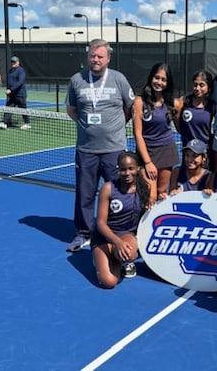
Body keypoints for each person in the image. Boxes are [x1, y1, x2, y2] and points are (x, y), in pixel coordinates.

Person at [65, 39, 135, 253]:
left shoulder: (118, 79)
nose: (95, 60)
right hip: (86, 150)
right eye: (92, 56)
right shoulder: (77, 80)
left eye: (100, 56)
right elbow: (72, 110)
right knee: (84, 194)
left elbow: (131, 108)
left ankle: (119, 230)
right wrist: (88, 128)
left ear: (108, 58)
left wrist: (114, 127)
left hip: (114, 150)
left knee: (118, 193)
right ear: (88, 57)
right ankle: (83, 232)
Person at [91, 152, 155, 288]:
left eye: (131, 168)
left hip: (127, 235)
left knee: (129, 253)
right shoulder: (108, 188)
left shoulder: (144, 188)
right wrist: (117, 242)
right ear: (118, 169)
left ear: (138, 169)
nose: (127, 173)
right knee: (109, 282)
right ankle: (104, 255)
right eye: (123, 169)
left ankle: (119, 257)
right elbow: (101, 223)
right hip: (105, 237)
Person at [133, 62, 179, 197]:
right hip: (146, 153)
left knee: (161, 193)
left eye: (163, 79)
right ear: (151, 78)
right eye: (156, 77)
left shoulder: (173, 103)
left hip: (166, 151)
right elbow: (137, 134)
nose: (159, 82)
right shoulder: (139, 102)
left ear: (168, 83)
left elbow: (182, 128)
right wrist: (147, 162)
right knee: (148, 194)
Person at [174, 70, 215, 148]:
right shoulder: (184, 103)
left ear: (208, 87)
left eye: (201, 85)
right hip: (188, 151)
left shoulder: (212, 105)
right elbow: (178, 127)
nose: (197, 88)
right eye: (195, 85)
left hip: (205, 151)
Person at [0, 56, 31, 130]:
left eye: (14, 62)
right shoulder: (11, 71)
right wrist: (8, 90)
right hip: (12, 95)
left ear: (18, 62)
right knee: (8, 108)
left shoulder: (21, 71)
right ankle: (4, 123)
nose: (13, 63)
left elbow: (20, 82)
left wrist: (11, 89)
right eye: (12, 62)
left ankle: (27, 123)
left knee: (23, 110)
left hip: (20, 95)